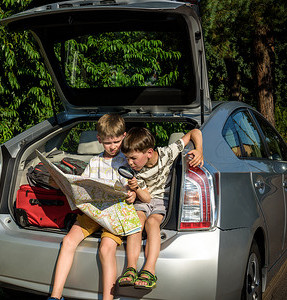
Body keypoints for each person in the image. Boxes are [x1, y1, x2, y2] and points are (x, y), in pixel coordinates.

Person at [47, 114, 140, 300]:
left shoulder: (127, 160)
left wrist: (133, 194)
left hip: (115, 215)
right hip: (93, 212)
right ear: (99, 140)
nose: (112, 146)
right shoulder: (94, 162)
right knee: (68, 241)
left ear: (124, 136)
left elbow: (135, 188)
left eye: (116, 141)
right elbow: (85, 185)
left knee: (106, 249)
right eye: (107, 143)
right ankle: (55, 296)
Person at [117, 127, 203, 290]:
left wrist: (199, 150)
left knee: (152, 224)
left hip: (162, 201)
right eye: (128, 158)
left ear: (149, 152)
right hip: (145, 199)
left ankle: (149, 269)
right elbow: (146, 198)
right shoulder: (135, 170)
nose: (129, 163)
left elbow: (195, 132)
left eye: (133, 158)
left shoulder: (168, 153)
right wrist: (136, 188)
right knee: (136, 223)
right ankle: (130, 268)